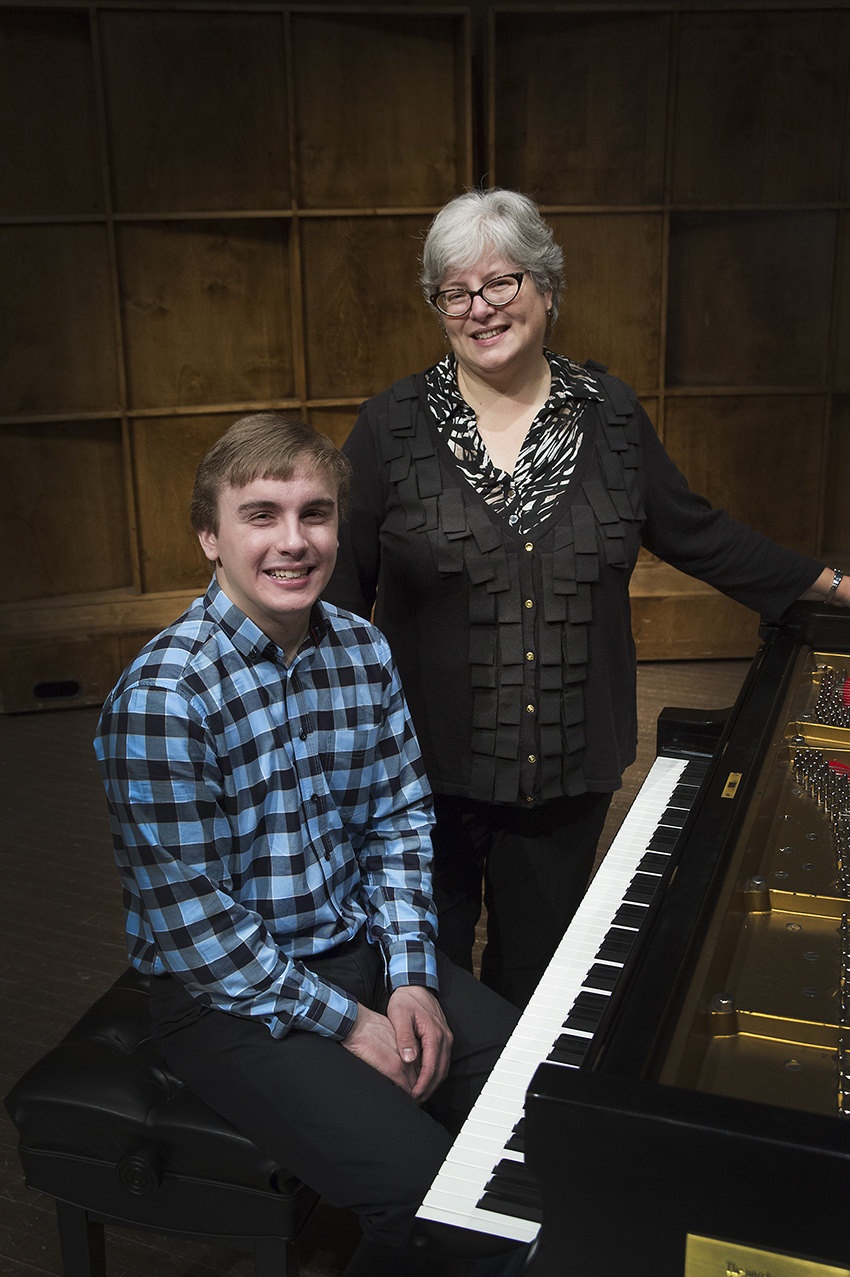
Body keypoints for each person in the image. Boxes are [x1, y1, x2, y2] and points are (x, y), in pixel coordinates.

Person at [323, 186, 850, 1011]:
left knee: (540, 983)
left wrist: (828, 585)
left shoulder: (610, 414)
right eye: (454, 293)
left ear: (546, 287)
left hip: (565, 771)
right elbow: (339, 602)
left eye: (502, 283)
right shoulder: (388, 428)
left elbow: (693, 529)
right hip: (419, 783)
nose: (480, 308)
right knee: (427, 980)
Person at [93, 412, 527, 1277]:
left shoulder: (361, 648)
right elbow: (202, 934)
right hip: (225, 999)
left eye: (315, 513)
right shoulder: (164, 698)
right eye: (261, 514)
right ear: (210, 535)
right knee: (426, 1200)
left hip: (359, 949)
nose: (294, 542)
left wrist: (409, 971)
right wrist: (352, 1023)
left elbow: (400, 818)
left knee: (536, 1101)